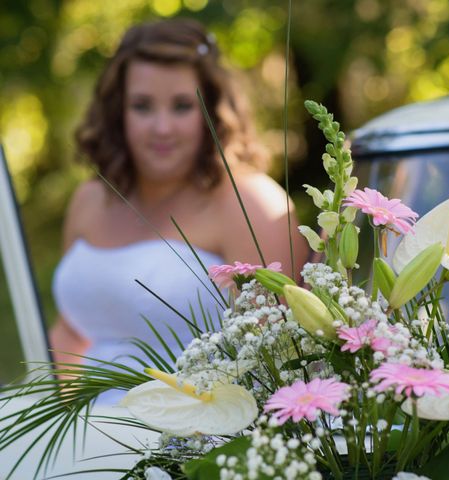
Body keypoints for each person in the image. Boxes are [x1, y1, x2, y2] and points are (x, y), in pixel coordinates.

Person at [49, 18, 308, 402]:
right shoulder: (90, 198)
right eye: (142, 106)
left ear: (214, 110)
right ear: (118, 111)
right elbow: (69, 333)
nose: (162, 128)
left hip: (197, 446)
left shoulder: (250, 203)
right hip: (83, 437)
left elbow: (279, 359)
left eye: (183, 106)